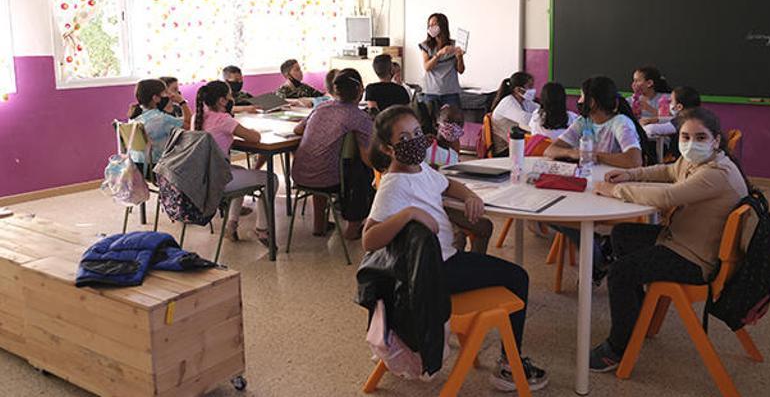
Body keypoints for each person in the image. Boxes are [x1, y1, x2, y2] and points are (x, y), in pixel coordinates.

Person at [364, 106, 548, 392]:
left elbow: (447, 183)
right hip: (436, 272)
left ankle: (506, 359)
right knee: (518, 277)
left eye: (416, 133)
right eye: (404, 137)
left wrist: (470, 194)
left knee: (492, 264)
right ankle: (510, 366)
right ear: (389, 149)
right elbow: (369, 239)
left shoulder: (419, 168)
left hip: (441, 262)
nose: (414, 141)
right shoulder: (394, 185)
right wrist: (409, 213)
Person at [588, 107, 749, 372]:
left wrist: (616, 190)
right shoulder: (698, 162)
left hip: (696, 259)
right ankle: (636, 315)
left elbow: (666, 197)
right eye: (685, 137)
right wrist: (631, 174)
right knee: (623, 234)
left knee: (619, 272)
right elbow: (667, 172)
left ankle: (618, 347)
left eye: (700, 137)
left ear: (716, 140)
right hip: (683, 239)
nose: (690, 144)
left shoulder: (717, 174)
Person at [193, 80, 278, 244]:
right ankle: (262, 229)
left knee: (240, 171)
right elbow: (255, 138)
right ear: (222, 101)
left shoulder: (198, 117)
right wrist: (252, 130)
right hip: (219, 179)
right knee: (271, 178)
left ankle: (231, 225)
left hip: (203, 177)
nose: (232, 98)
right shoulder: (224, 120)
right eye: (230, 95)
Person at [291, 68, 373, 239]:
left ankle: (319, 225)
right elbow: (368, 158)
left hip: (300, 175)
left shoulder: (321, 107)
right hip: (327, 179)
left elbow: (297, 130)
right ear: (360, 91)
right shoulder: (359, 117)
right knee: (361, 169)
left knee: (322, 160)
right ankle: (352, 228)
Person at [545, 76, 651, 168]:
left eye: (581, 96)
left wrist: (594, 155)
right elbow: (550, 150)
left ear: (591, 102)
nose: (579, 101)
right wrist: (572, 153)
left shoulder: (620, 122)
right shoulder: (583, 121)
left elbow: (634, 160)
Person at [127, 79, 184, 166]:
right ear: (155, 98)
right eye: (165, 92)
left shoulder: (134, 117)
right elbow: (189, 124)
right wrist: (182, 102)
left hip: (137, 165)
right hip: (158, 166)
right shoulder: (161, 119)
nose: (168, 95)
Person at [419, 13, 465, 108]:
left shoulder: (454, 45)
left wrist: (459, 57)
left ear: (442, 26)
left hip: (450, 92)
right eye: (429, 26)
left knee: (453, 121)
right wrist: (439, 54)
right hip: (431, 92)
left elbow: (460, 70)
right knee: (430, 121)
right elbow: (427, 67)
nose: (431, 28)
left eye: (434, 25)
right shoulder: (426, 45)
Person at [490, 72, 538, 156]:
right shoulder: (508, 102)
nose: (532, 90)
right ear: (518, 89)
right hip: (505, 149)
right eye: (529, 87)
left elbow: (539, 109)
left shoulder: (525, 101)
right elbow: (526, 120)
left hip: (516, 144)